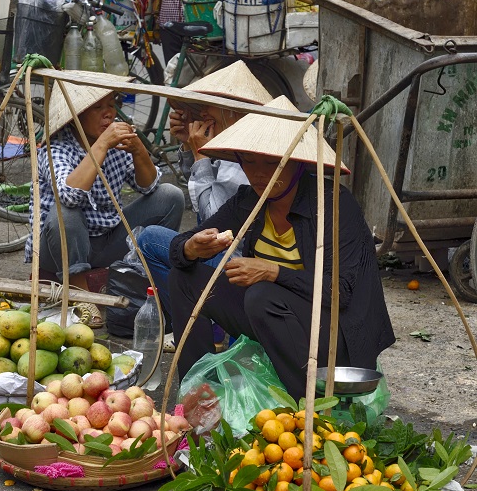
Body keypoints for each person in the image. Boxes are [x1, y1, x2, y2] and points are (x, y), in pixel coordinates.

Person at [168, 96, 396, 399]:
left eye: (272, 163)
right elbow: (178, 246)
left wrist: (273, 271)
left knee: (262, 295)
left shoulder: (331, 204)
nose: (260, 173)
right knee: (183, 280)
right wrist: (192, 248)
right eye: (249, 161)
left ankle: (308, 404)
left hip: (334, 334)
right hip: (273, 317)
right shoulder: (247, 201)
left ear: (297, 164)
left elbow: (339, 293)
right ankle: (199, 397)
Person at [136, 61, 272, 329]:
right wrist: (189, 144)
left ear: (232, 112)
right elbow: (201, 191)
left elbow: (216, 222)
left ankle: (202, 323)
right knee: (160, 244)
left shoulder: (245, 157)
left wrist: (200, 155)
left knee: (160, 244)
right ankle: (201, 322)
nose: (201, 116)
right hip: (227, 250)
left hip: (240, 256)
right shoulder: (229, 142)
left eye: (205, 109)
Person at [24, 71, 185, 291]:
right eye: (97, 108)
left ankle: (148, 272)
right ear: (77, 115)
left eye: (111, 105)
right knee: (66, 214)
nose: (108, 114)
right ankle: (79, 291)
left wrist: (139, 151)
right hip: (59, 250)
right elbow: (70, 196)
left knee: (170, 195)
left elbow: (149, 186)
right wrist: (101, 145)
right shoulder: (56, 148)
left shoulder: (114, 137)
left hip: (106, 240)